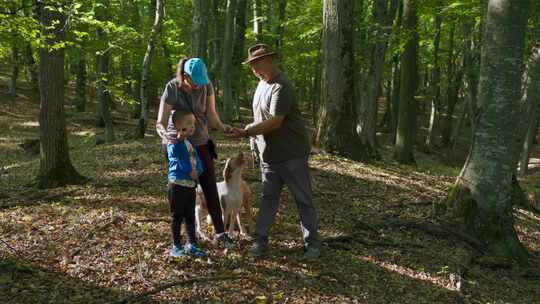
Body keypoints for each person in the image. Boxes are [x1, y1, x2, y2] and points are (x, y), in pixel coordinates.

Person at [230, 44, 321, 260]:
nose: (255, 69)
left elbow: (275, 122)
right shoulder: (261, 85)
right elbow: (260, 119)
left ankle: (313, 245)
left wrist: (246, 132)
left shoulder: (282, 86)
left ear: (271, 60)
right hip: (269, 156)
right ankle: (260, 241)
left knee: (303, 199)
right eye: (252, 65)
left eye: (258, 64)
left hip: (291, 155)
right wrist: (250, 137)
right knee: (268, 198)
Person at [157, 57, 235, 248]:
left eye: (202, 80)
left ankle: (220, 233)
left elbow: (212, 114)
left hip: (201, 141)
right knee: (183, 191)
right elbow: (160, 121)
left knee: (209, 187)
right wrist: (167, 137)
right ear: (185, 76)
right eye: (195, 81)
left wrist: (223, 127)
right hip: (178, 145)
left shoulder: (206, 85)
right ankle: (185, 238)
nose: (199, 85)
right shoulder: (172, 88)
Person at [167, 110, 206, 257]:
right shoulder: (174, 143)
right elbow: (177, 158)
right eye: (189, 123)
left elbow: (196, 159)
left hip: (190, 185)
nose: (192, 126)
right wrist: (189, 171)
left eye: (193, 124)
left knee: (190, 215)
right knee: (177, 216)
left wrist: (199, 170)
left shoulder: (189, 143)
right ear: (178, 126)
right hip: (177, 184)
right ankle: (176, 246)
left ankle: (192, 243)